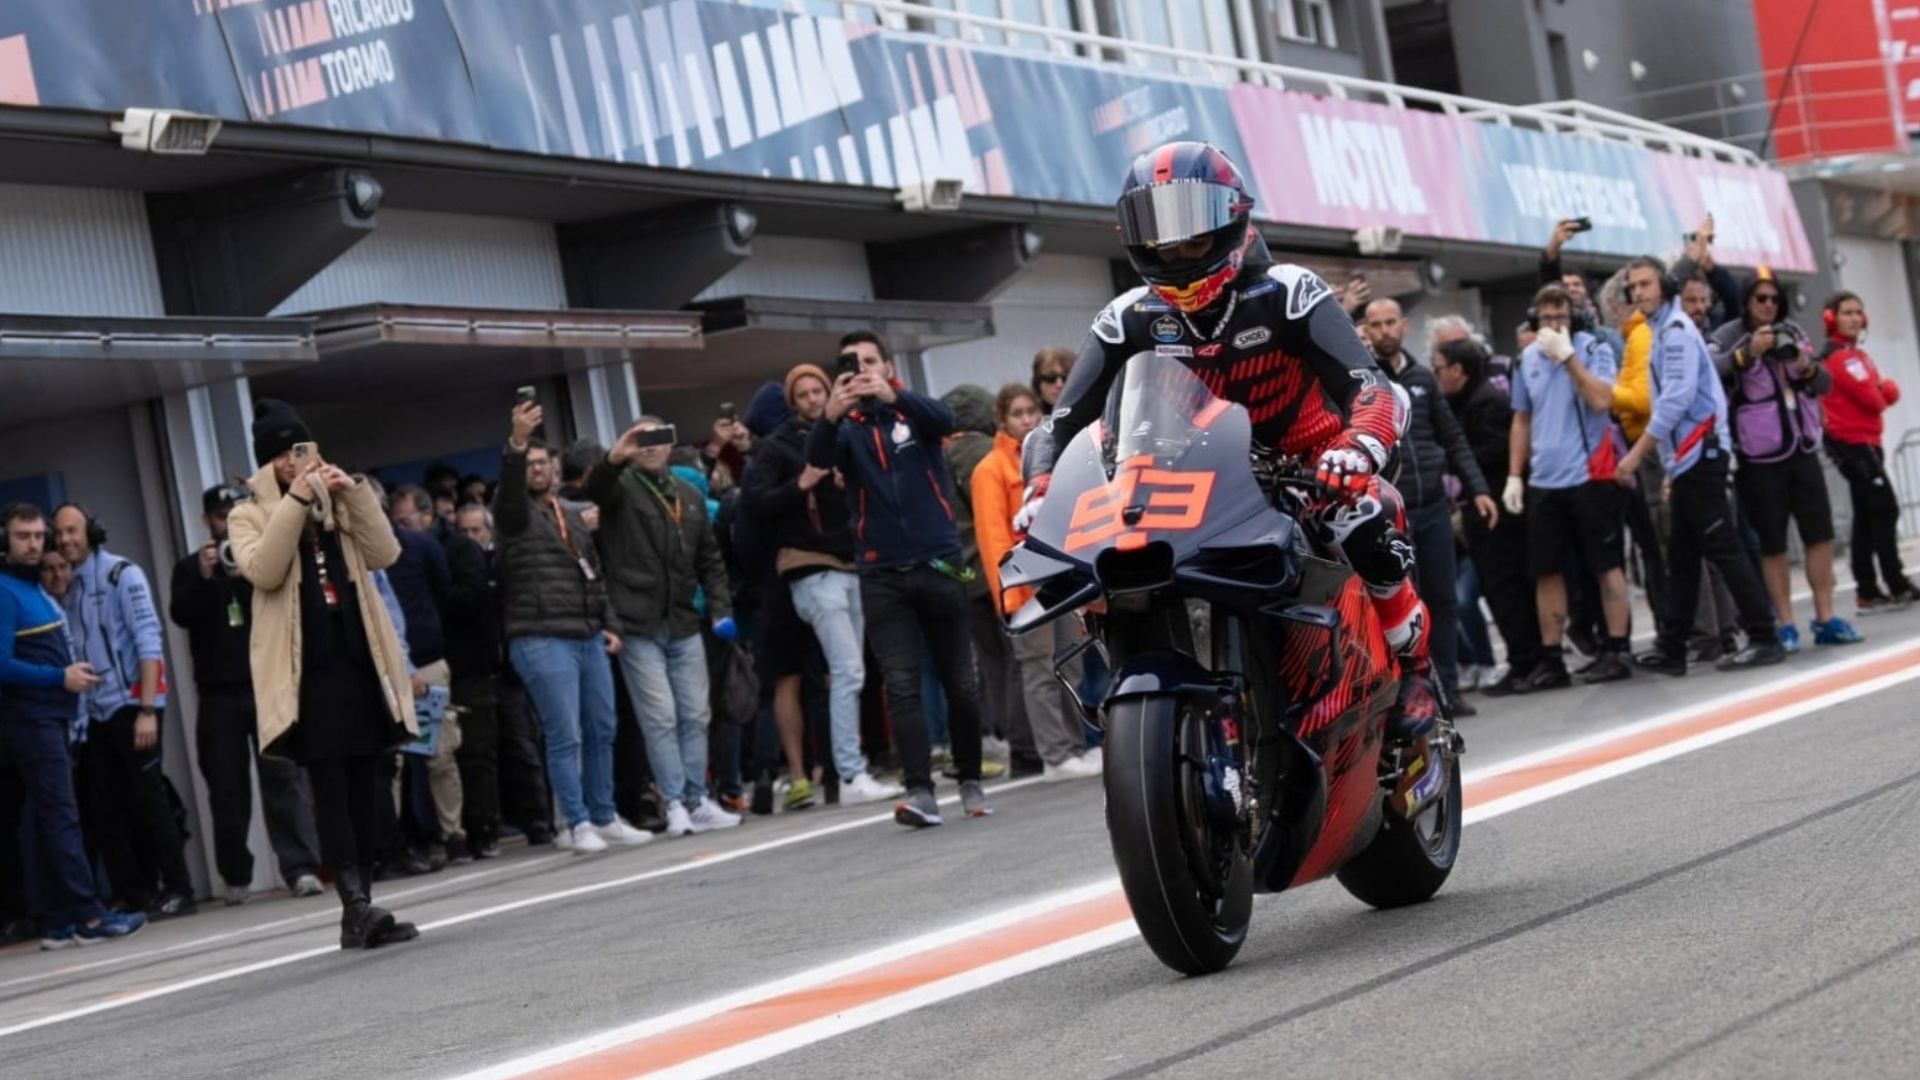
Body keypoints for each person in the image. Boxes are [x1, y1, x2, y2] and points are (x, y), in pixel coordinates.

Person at [1019, 140, 1443, 751]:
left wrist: (1354, 450)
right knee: (1105, 558)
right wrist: (1041, 486)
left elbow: (1372, 389)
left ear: (1232, 220)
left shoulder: (1290, 291)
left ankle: (1415, 672)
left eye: (1191, 235)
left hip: (1307, 471)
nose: (1173, 250)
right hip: (1193, 486)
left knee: (1364, 514)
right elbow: (1057, 426)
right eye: (1158, 235)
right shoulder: (1125, 317)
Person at [228, 399, 420, 949]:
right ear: (271, 464)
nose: (301, 461)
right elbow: (263, 568)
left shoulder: (337, 504)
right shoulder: (250, 513)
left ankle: (362, 903)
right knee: (330, 785)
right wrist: (293, 501)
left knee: (366, 782)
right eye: (289, 454)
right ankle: (354, 902)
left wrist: (352, 493)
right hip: (306, 670)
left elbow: (385, 554)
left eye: (304, 449)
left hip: (357, 657)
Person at [808, 329, 993, 827]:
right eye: (854, 365)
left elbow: (947, 419)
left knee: (961, 681)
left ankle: (970, 777)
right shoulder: (845, 429)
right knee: (902, 685)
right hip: (881, 571)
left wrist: (895, 395)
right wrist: (831, 411)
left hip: (939, 561)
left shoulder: (914, 412)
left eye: (872, 361)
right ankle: (919, 791)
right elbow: (817, 460)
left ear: (887, 365)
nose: (864, 370)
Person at [738, 364, 903, 806]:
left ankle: (844, 770)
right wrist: (801, 484)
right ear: (792, 402)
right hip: (809, 568)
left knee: (850, 672)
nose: (812, 399)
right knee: (843, 671)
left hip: (851, 563)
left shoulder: (846, 433)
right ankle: (847, 774)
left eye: (818, 391)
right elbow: (754, 504)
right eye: (804, 394)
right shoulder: (776, 447)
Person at [1614, 261, 1785, 674]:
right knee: (1684, 555)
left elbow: (1675, 400)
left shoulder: (1674, 333)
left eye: (1645, 284)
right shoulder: (1660, 331)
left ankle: (1764, 635)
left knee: (1722, 546)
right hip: (1689, 457)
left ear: (1666, 286)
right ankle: (1673, 646)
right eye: (1632, 286)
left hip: (1701, 453)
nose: (1638, 292)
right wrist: (1672, 465)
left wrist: (1637, 455)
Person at [495, 401, 646, 855]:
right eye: (531, 464)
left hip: (586, 634)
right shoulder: (512, 516)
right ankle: (576, 822)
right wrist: (517, 444)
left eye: (545, 463)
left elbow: (593, 573)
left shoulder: (573, 515)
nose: (539, 471)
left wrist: (609, 624)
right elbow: (508, 493)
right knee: (566, 735)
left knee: (602, 727)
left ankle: (603, 814)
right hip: (540, 636)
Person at [586, 416, 742, 836]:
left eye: (658, 438)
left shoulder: (689, 495)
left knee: (696, 714)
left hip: (682, 620)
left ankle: (696, 799)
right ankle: (673, 801)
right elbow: (595, 490)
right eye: (643, 439)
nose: (652, 447)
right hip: (638, 623)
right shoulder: (620, 489)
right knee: (660, 717)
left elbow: (709, 560)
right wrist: (614, 459)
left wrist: (721, 608)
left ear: (671, 444)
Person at [0, 503, 146, 949]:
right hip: (33, 721)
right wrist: (59, 678)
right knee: (62, 818)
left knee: (50, 820)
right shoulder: (7, 592)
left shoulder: (32, 588)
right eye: (22, 536)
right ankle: (88, 916)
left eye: (38, 536)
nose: (32, 544)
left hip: (49, 720)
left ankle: (61, 919)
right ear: (5, 541)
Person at [170, 484, 324, 905]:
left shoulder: (262, 559)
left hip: (265, 686)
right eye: (220, 517)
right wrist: (206, 578)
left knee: (284, 778)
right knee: (226, 787)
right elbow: (180, 614)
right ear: (207, 522)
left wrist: (247, 573)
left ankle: (302, 868)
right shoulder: (191, 569)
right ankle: (236, 876)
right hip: (218, 695)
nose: (226, 525)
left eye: (234, 514)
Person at [52, 504, 197, 918]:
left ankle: (179, 888)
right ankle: (132, 892)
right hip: (94, 714)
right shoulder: (70, 587)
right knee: (104, 808)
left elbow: (149, 642)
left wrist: (148, 709)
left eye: (72, 531)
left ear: (91, 532)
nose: (65, 540)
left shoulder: (122, 574)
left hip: (134, 706)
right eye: (59, 534)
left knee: (149, 801)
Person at [1710, 272, 1863, 651]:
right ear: (1746, 301)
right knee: (1773, 543)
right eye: (1760, 298)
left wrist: (1804, 365)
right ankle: (1786, 623)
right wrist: (1750, 353)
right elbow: (1713, 371)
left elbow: (1823, 382)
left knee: (1820, 535)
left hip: (1801, 448)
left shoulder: (1792, 331)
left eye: (1774, 299)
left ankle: (1826, 617)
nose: (1768, 306)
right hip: (1759, 456)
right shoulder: (1730, 334)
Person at [1361, 299, 1497, 716]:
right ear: (1366, 330)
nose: (1384, 331)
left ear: (1403, 326)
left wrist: (1478, 489)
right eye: (1376, 324)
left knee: (1444, 600)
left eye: (1390, 322)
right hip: (1388, 514)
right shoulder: (1361, 382)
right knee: (1404, 602)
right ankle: (1416, 693)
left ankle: (1450, 688)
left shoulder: (1424, 378)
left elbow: (1453, 438)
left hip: (1433, 507)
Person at [1502, 284, 1635, 688]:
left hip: (1590, 476)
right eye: (1546, 319)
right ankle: (1552, 658)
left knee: (1605, 566)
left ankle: (1616, 649)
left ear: (1572, 318)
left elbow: (1601, 401)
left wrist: (1570, 358)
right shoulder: (1526, 359)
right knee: (1547, 570)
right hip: (1545, 479)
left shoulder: (1593, 349)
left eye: (1560, 317)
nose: (1554, 325)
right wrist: (1514, 475)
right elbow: (1521, 418)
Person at [974, 383, 1098, 778]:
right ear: (1002, 420)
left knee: (1070, 663)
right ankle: (1056, 754)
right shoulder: (989, 470)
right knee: (1039, 669)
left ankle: (1075, 745)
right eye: (1018, 413)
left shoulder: (1047, 459)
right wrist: (1010, 590)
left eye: (1031, 411)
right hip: (1026, 581)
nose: (1027, 419)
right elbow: (993, 537)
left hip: (1060, 571)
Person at [1434, 338, 1544, 696]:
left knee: (1506, 586)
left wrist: (1451, 461)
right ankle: (1525, 659)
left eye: (1440, 369)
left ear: (1457, 370)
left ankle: (1526, 660)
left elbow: (1495, 450)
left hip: (1497, 511)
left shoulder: (1486, 402)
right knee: (1500, 588)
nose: (1437, 376)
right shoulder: (1466, 400)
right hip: (1486, 509)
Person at [385, 486, 469, 863]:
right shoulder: (355, 555)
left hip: (429, 659)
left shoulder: (421, 547)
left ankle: (453, 834)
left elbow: (445, 594)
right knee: (393, 764)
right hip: (384, 669)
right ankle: (396, 844)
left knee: (441, 754)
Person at [1819, 291, 1916, 614]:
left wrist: (1883, 389)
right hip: (1853, 445)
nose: (1855, 318)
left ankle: (1868, 590)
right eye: (1847, 312)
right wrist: (1884, 388)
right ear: (1832, 318)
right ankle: (1895, 582)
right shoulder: (1841, 359)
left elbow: (1883, 393)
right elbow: (1877, 397)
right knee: (1885, 509)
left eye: (1858, 312)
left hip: (1867, 443)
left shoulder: (1856, 355)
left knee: (1866, 515)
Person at [1032, 345, 1074, 411]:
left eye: (1066, 378)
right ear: (1038, 383)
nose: (1059, 384)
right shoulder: (1028, 418)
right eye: (1051, 377)